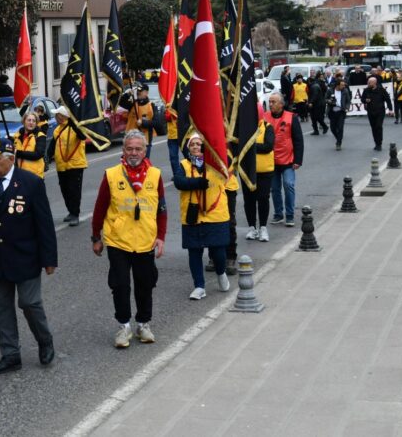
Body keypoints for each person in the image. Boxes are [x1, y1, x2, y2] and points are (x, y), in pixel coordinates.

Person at [0, 138, 57, 375]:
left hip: (25, 257)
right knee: (2, 308)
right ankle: (10, 354)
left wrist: (49, 259)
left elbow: (44, 224)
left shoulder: (31, 183)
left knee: (29, 303)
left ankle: (44, 340)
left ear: (10, 158)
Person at [91, 131, 166, 348]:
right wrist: (96, 237)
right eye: (129, 149)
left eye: (138, 149)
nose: (134, 153)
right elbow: (99, 208)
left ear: (144, 151)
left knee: (145, 284)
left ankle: (143, 324)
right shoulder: (112, 174)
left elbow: (161, 210)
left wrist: (160, 237)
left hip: (145, 241)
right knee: (120, 285)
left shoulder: (155, 175)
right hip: (118, 241)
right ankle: (123, 326)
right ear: (123, 151)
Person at [174, 132, 232, 300]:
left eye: (199, 144)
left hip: (216, 215)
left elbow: (228, 167)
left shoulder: (217, 164)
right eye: (192, 145)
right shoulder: (183, 164)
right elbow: (179, 182)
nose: (195, 147)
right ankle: (199, 286)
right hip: (193, 216)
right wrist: (197, 183)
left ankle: (221, 273)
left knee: (218, 251)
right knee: (194, 252)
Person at [264, 93, 303, 226]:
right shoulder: (265, 117)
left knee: (288, 185)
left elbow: (298, 140)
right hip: (271, 161)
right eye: (269, 102)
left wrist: (298, 160)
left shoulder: (291, 117)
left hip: (288, 160)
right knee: (274, 189)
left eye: (273, 102)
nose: (270, 104)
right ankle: (278, 214)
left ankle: (290, 215)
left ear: (281, 104)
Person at [51, 107, 87, 226]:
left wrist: (73, 124)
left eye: (57, 115)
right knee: (65, 189)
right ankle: (70, 211)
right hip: (61, 165)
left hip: (75, 165)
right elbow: (52, 145)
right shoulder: (57, 130)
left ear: (63, 116)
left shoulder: (75, 127)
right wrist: (46, 156)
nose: (56, 117)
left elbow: (82, 136)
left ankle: (75, 214)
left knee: (74, 190)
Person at [243, 113, 275, 242]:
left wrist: (250, 146)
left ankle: (263, 227)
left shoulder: (268, 127)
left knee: (263, 198)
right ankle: (252, 228)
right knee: (249, 200)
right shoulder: (244, 129)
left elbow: (268, 146)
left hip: (264, 171)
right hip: (247, 171)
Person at [118, 84, 164, 157]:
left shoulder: (151, 106)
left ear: (146, 93)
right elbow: (120, 102)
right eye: (137, 91)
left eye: (140, 91)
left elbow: (157, 123)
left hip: (145, 140)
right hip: (130, 139)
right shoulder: (132, 104)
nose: (138, 93)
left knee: (144, 163)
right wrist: (128, 94)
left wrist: (143, 123)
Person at [361, 76, 392, 151]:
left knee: (378, 126)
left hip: (380, 111)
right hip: (370, 112)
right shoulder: (366, 90)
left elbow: (387, 99)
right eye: (368, 82)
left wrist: (390, 109)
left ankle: (379, 143)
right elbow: (362, 99)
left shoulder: (381, 90)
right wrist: (365, 100)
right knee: (373, 128)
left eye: (369, 82)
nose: (368, 83)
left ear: (374, 83)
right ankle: (376, 143)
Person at [14, 112, 46, 177]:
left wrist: (18, 153)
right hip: (20, 175)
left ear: (36, 123)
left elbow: (38, 154)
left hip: (35, 175)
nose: (31, 122)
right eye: (29, 120)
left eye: (34, 121)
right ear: (24, 121)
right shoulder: (17, 136)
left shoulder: (40, 135)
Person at [327, 78, 352, 150]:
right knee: (333, 128)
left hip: (341, 111)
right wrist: (329, 101)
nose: (343, 86)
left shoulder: (345, 91)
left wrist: (347, 108)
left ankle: (338, 143)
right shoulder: (330, 90)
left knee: (340, 128)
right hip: (332, 111)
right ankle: (338, 138)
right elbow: (325, 99)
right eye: (342, 85)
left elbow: (348, 101)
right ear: (337, 85)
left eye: (344, 85)